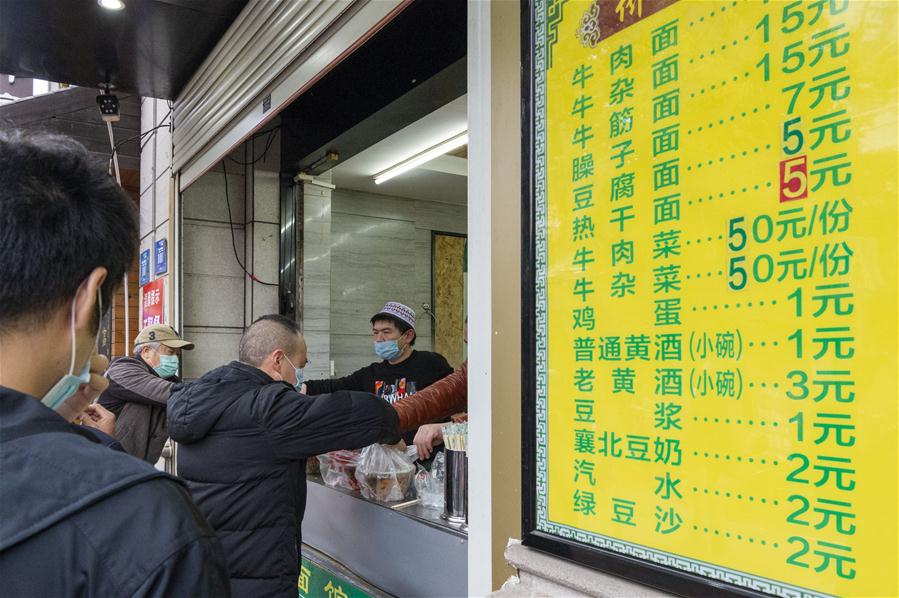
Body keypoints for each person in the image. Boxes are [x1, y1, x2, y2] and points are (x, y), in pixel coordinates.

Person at [0, 130, 229, 596]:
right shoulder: (142, 520)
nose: (172, 361)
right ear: (87, 298)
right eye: (168, 352)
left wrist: (46, 427)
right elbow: (172, 396)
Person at [167, 314, 400, 598]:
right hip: (259, 576)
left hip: (207, 567)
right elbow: (367, 416)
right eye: (299, 366)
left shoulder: (200, 396)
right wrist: (396, 423)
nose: (298, 376)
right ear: (278, 360)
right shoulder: (269, 409)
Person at [304, 301, 453, 441]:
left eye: (386, 332)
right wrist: (299, 386)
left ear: (408, 336)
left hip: (427, 454)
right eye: (375, 333)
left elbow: (458, 401)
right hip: (389, 456)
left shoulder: (431, 364)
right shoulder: (371, 373)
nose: (379, 339)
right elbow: (336, 386)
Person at [98, 324, 194, 463]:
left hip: (135, 468)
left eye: (177, 354)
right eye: (170, 352)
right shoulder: (123, 370)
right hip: (104, 464)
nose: (175, 359)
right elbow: (168, 392)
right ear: (146, 351)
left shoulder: (170, 381)